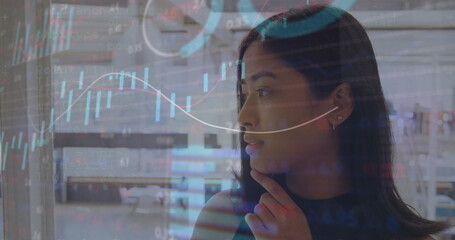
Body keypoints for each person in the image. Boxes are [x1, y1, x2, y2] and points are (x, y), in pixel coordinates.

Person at [191, 5, 452, 240]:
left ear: (339, 103)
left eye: (263, 91)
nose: (243, 117)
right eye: (245, 93)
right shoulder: (224, 218)